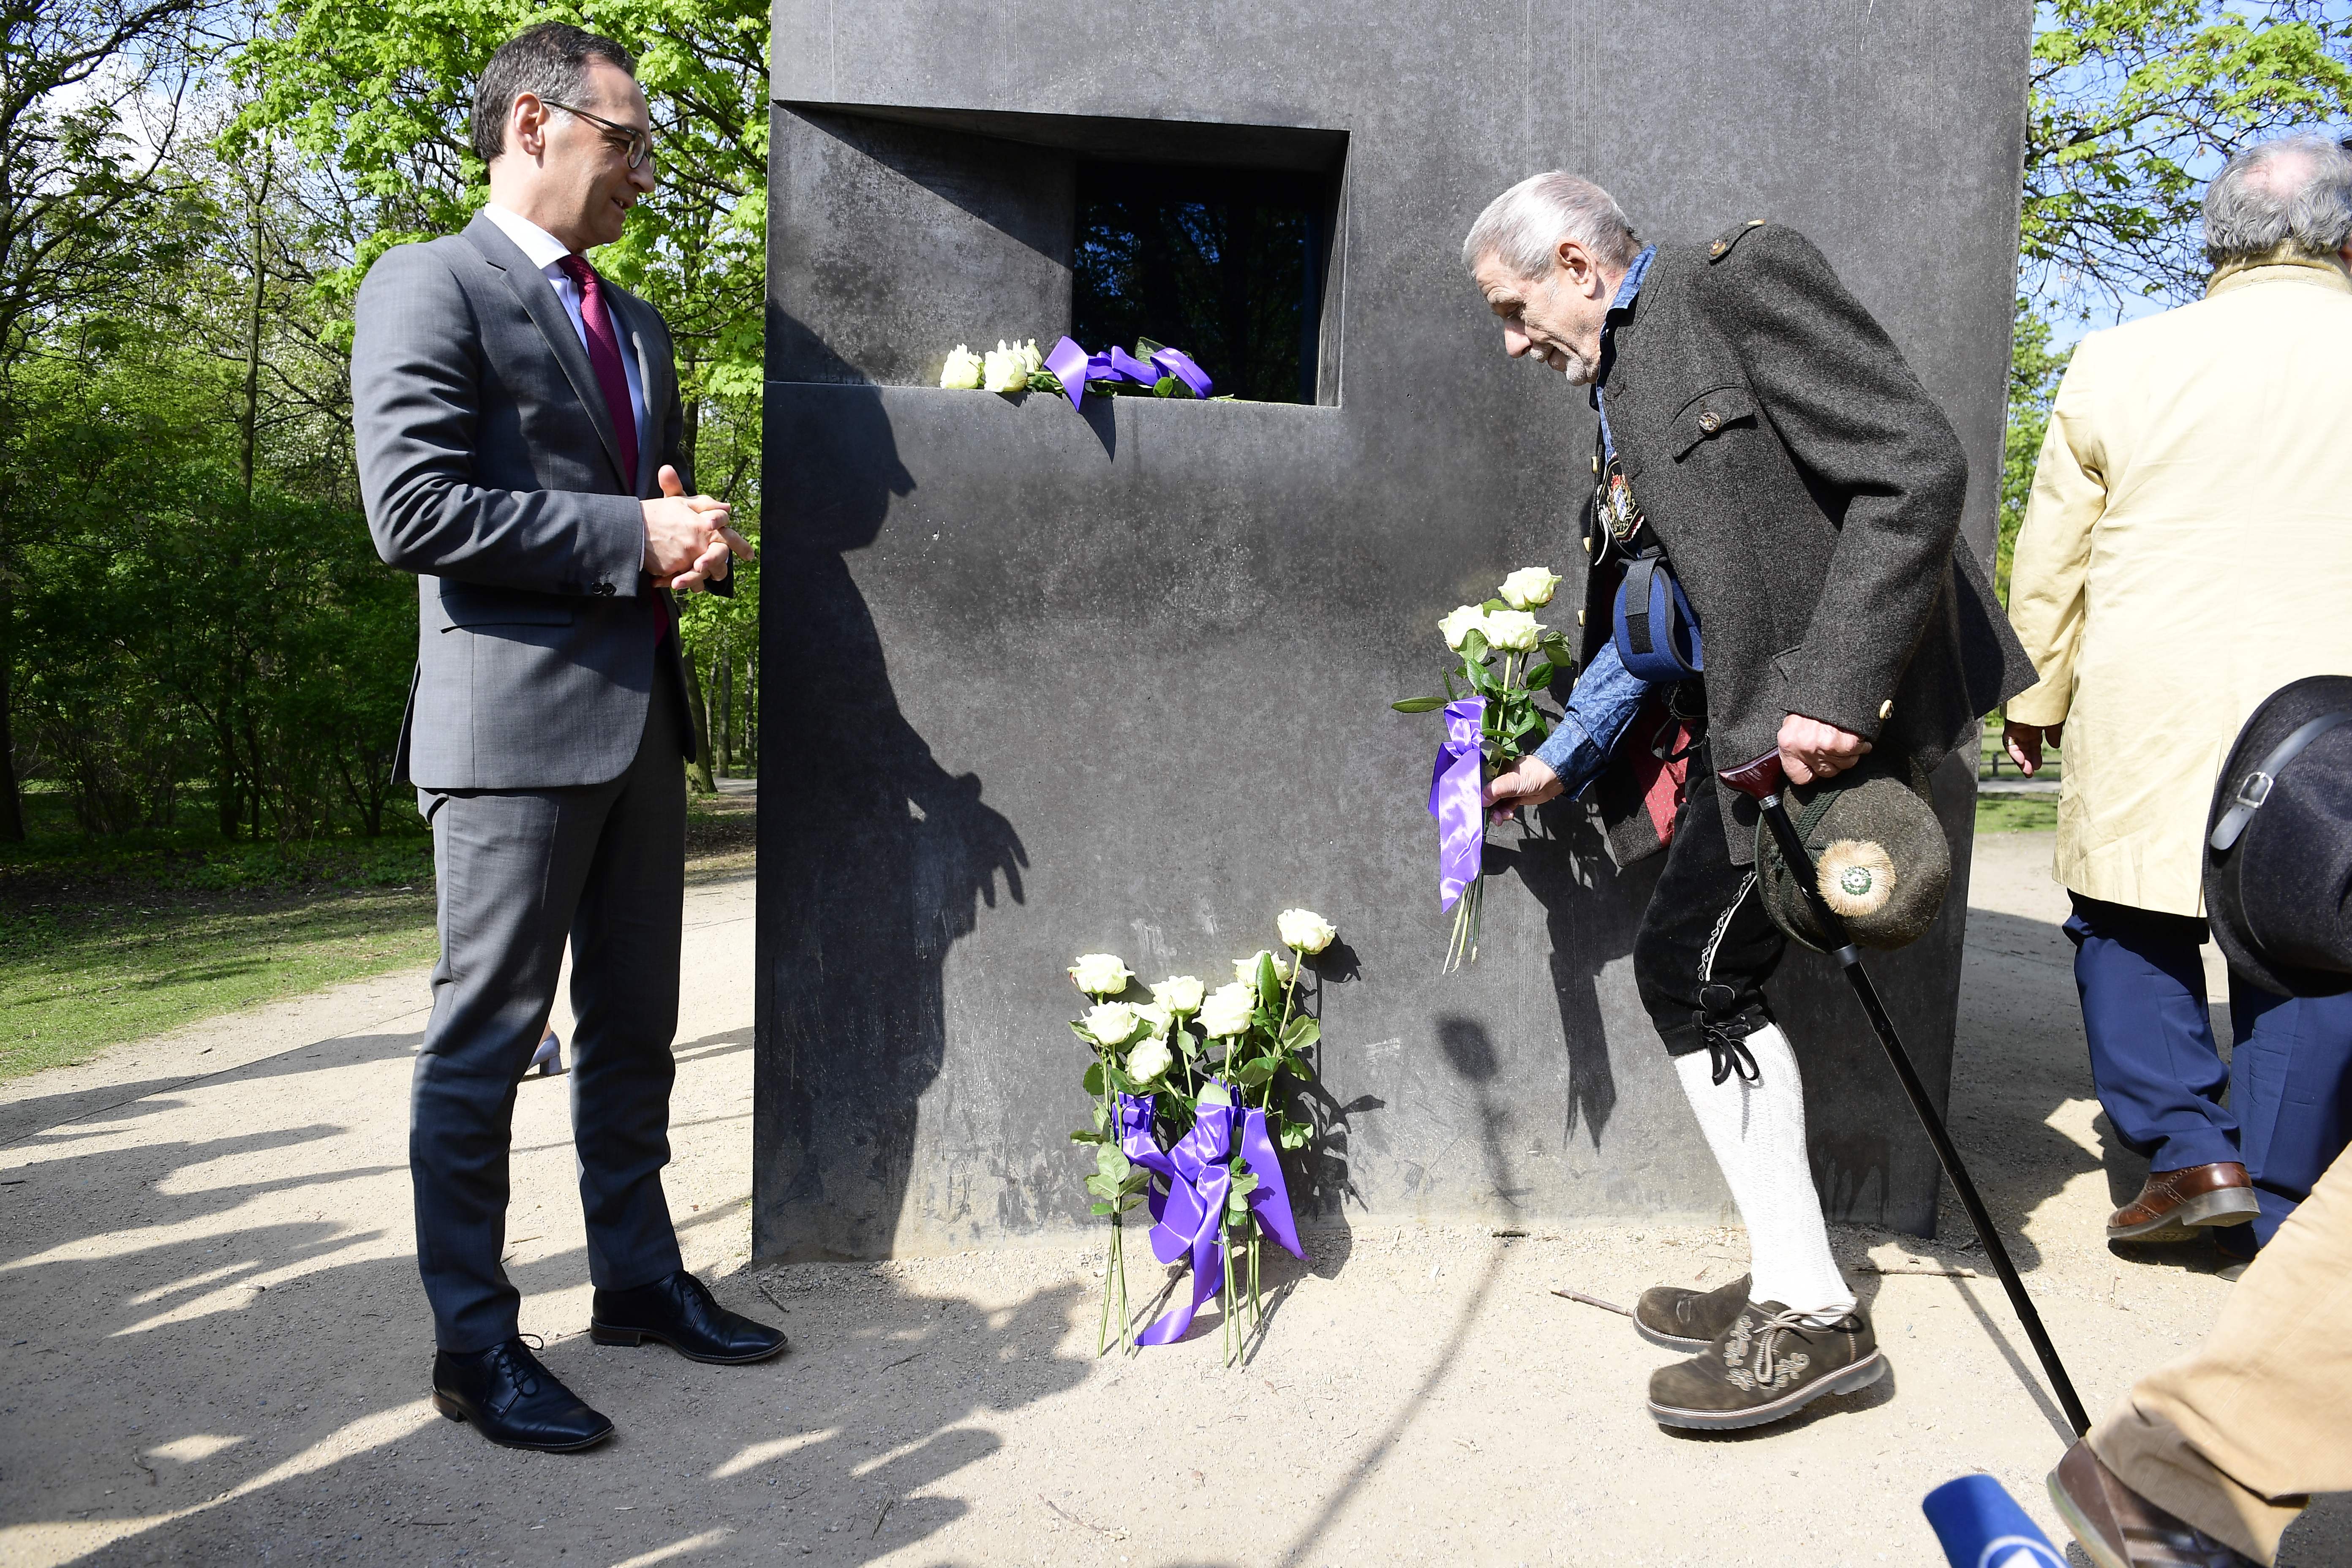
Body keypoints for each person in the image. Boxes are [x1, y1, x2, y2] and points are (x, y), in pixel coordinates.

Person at [1466, 173, 2034, 1430]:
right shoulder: (1617, 384)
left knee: (1691, 976)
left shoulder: (1737, 282)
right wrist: (1569, 750)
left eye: (1514, 308)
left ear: (1575, 262)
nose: (1514, 342)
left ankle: (1815, 1320)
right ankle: (1797, 1280)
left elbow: (1913, 468)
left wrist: (1837, 688)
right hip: (1745, 742)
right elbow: (1652, 611)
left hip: (1826, 739)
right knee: (1698, 977)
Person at [352, 21, 777, 1454]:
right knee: (486, 1041)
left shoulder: (639, 321)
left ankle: (640, 1280)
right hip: (510, 735)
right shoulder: (429, 285)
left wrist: (687, 542)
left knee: (637, 1030)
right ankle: (474, 1344)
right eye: (630, 140)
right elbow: (413, 514)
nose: (647, 170)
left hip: (636, 726)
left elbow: (633, 506)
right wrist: (627, 536)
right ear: (535, 124)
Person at [2002, 133, 2352, 1268]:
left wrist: (2037, 692)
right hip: (2331, 710)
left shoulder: (2119, 359)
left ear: (2216, 236)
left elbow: (2056, 553)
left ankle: (2190, 1155)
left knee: (2128, 912)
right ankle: (2286, 1189)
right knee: (2316, 932)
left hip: (2155, 692)